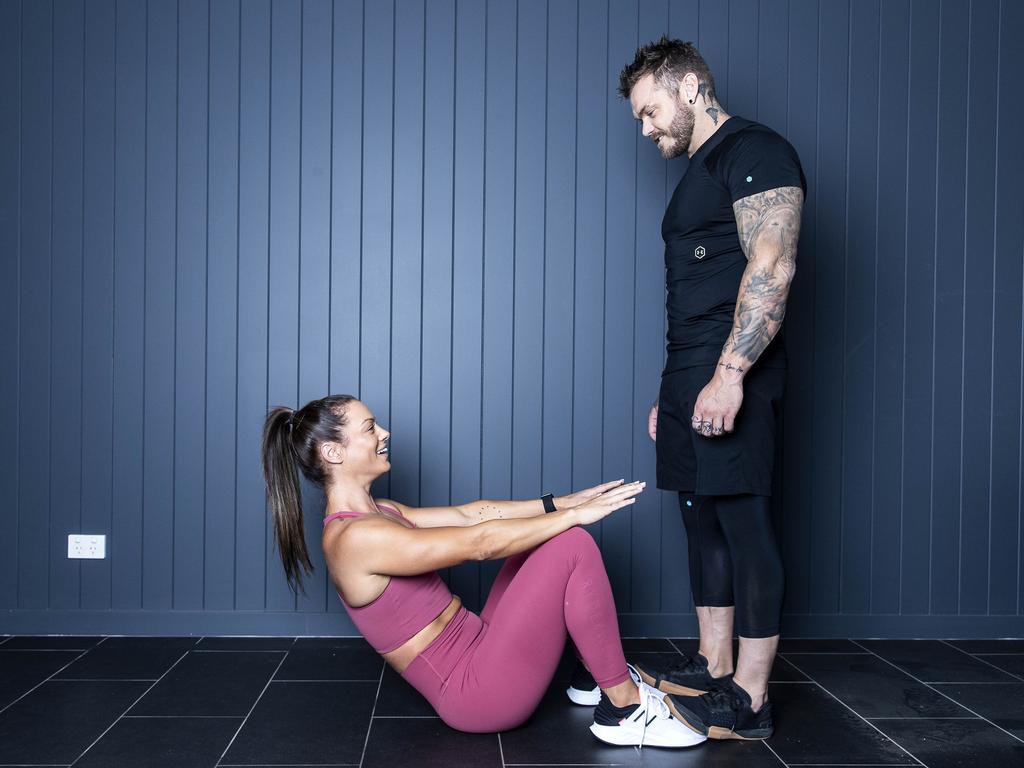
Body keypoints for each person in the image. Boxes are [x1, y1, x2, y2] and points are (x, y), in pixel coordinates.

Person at [261, 394, 704, 749]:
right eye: (370, 428)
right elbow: (479, 544)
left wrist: (560, 503)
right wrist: (574, 519)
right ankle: (625, 708)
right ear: (334, 451)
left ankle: (593, 674)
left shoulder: (383, 512)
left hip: (480, 647)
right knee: (570, 543)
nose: (385, 433)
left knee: (540, 541)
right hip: (476, 694)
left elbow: (472, 516)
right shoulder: (354, 540)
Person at [617, 38, 806, 741]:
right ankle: (714, 664)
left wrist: (730, 375)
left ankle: (751, 699)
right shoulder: (700, 169)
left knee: (744, 522)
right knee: (703, 520)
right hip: (690, 373)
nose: (647, 129)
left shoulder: (755, 150)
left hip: (735, 372)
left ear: (691, 87)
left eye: (651, 111)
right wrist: (675, 390)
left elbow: (773, 263)